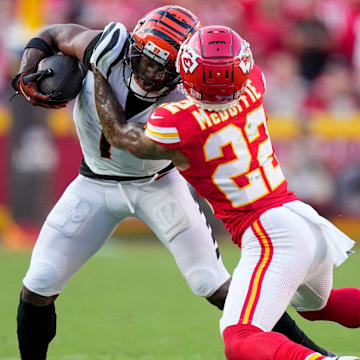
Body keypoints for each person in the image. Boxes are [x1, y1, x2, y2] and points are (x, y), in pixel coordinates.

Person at [12, 6, 334, 359]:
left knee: (212, 282)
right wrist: (29, 66)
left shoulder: (192, 97)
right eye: (146, 60)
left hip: (157, 185)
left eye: (164, 68)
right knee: (39, 282)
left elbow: (119, 133)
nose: (151, 74)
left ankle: (316, 353)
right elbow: (56, 33)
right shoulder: (108, 46)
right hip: (93, 183)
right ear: (133, 47)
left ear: (186, 69)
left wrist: (98, 72)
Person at [92, 24, 360, 360]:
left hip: (271, 235)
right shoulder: (255, 83)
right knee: (320, 306)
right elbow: (223, 70)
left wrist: (98, 73)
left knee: (240, 338)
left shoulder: (177, 122)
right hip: (303, 220)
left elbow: (120, 135)